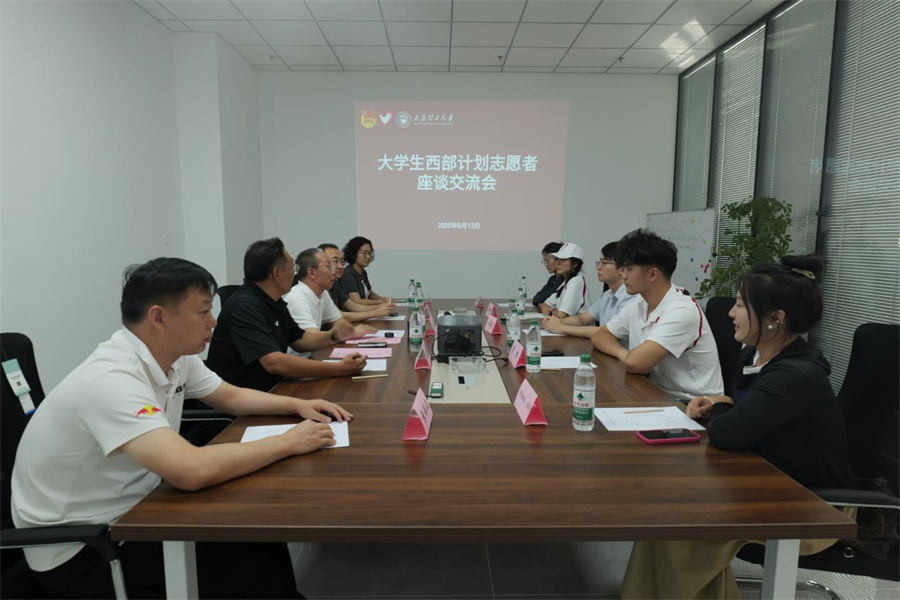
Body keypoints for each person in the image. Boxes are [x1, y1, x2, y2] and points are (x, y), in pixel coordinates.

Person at [10, 257, 353, 599]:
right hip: (86, 551)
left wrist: (297, 405)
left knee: (255, 529)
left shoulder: (175, 355)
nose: (213, 321)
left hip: (137, 512)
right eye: (203, 312)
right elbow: (190, 471)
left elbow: (231, 397)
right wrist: (288, 442)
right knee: (242, 560)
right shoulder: (111, 380)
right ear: (159, 317)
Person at [620, 256, 856, 600]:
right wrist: (720, 404)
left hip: (811, 503)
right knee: (665, 506)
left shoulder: (794, 375)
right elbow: (747, 410)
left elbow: (728, 434)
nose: (731, 313)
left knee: (683, 522)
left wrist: (721, 410)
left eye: (741, 305)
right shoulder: (757, 355)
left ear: (775, 319)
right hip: (765, 477)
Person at [206, 238, 366, 392]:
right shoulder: (245, 306)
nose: (295, 274)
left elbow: (299, 340)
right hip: (244, 398)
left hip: (271, 387)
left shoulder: (274, 301)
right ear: (277, 274)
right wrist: (338, 368)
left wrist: (334, 335)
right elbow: (274, 363)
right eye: (293, 268)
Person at [591, 229, 723, 402]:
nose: (622, 274)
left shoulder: (682, 311)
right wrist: (625, 355)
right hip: (654, 392)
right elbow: (601, 335)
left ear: (653, 274)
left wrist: (630, 358)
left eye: (628, 269)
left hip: (692, 404)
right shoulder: (640, 303)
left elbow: (636, 363)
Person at [543, 241, 637, 339]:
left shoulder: (630, 297)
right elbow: (582, 319)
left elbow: (608, 332)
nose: (599, 267)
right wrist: (556, 322)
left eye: (604, 263)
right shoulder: (607, 295)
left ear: (622, 268)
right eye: (599, 262)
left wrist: (562, 327)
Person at [284, 248, 380, 342]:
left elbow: (339, 320)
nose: (334, 272)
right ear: (312, 272)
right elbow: (311, 338)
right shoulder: (297, 298)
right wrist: (349, 333)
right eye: (329, 267)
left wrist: (348, 331)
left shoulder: (323, 293)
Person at [318, 242, 394, 322]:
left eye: (342, 262)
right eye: (335, 261)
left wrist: (380, 307)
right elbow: (338, 315)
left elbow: (353, 306)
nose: (340, 266)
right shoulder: (321, 288)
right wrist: (375, 312)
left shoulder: (335, 283)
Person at [538, 242, 592, 318]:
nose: (558, 263)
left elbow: (561, 315)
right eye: (557, 259)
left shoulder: (575, 282)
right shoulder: (566, 281)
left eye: (563, 259)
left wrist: (550, 311)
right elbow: (544, 304)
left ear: (575, 263)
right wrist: (549, 310)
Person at [340, 236, 391, 306]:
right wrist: (382, 302)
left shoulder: (363, 272)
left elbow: (371, 294)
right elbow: (357, 301)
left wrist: (385, 299)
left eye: (369, 253)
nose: (368, 257)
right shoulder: (348, 274)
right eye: (364, 253)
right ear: (353, 253)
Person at [532, 241, 564, 308]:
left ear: (558, 259)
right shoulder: (552, 279)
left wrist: (541, 302)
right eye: (544, 261)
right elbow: (536, 299)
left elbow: (541, 298)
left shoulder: (564, 280)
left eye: (548, 260)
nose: (546, 264)